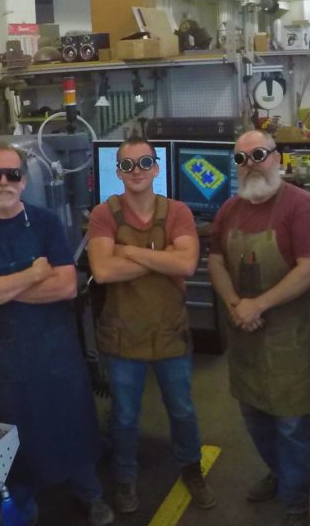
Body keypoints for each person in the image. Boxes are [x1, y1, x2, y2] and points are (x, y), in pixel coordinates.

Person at [0, 143, 114, 526]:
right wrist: (31, 275)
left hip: (56, 350)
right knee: (12, 434)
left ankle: (90, 494)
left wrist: (0, 289)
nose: (4, 182)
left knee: (73, 421)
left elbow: (65, 288)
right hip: (1, 359)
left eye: (13, 175)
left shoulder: (44, 223)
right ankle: (23, 505)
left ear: (24, 181)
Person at [207, 130, 310, 526]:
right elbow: (216, 262)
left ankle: (296, 501)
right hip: (244, 337)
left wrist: (257, 304)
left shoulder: (302, 206)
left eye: (258, 154)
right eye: (241, 159)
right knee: (255, 416)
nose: (250, 165)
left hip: (287, 339)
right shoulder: (229, 209)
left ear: (278, 158)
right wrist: (234, 304)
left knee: (292, 426)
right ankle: (279, 475)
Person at [86, 136, 215, 514]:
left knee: (182, 410)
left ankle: (192, 469)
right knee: (125, 415)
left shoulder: (177, 211)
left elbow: (187, 265)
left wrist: (128, 250)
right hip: (122, 335)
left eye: (144, 163)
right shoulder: (103, 214)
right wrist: (162, 256)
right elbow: (103, 270)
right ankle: (125, 479)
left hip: (170, 331)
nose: (136, 171)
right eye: (128, 165)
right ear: (118, 171)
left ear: (157, 167)